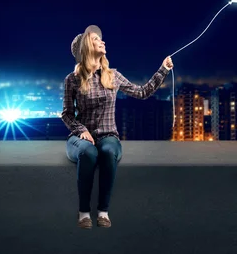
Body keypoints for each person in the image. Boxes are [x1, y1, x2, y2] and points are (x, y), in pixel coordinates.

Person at [61, 25, 173, 229]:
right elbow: (67, 114)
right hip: (81, 139)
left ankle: (103, 211)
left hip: (108, 136)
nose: (102, 41)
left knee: (108, 150)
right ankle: (84, 212)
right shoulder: (72, 80)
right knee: (88, 153)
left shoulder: (112, 75)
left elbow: (142, 92)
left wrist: (163, 69)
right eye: (96, 39)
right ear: (86, 47)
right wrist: (81, 131)